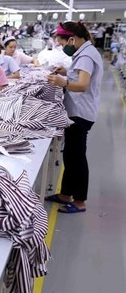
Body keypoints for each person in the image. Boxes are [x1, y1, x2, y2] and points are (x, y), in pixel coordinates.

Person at [45, 22, 103, 214]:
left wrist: (63, 81)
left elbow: (83, 85)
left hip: (81, 113)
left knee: (77, 157)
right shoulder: (85, 52)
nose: (63, 47)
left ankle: (79, 201)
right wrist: (66, 73)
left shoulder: (86, 55)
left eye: (63, 44)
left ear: (72, 39)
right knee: (70, 155)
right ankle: (65, 194)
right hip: (77, 112)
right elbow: (79, 76)